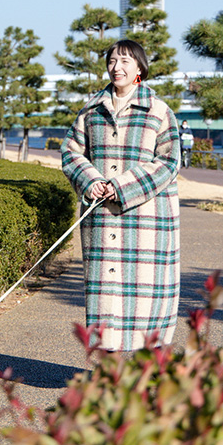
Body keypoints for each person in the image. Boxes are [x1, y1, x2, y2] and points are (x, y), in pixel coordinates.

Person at [61, 39, 180, 352]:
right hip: (102, 219)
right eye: (113, 60)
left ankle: (151, 373)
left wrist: (122, 186)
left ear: (139, 67)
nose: (117, 67)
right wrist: (91, 180)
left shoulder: (158, 110)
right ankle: (107, 375)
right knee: (105, 301)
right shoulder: (91, 110)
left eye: (126, 61)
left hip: (147, 221)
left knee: (148, 299)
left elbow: (169, 161)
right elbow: (71, 152)